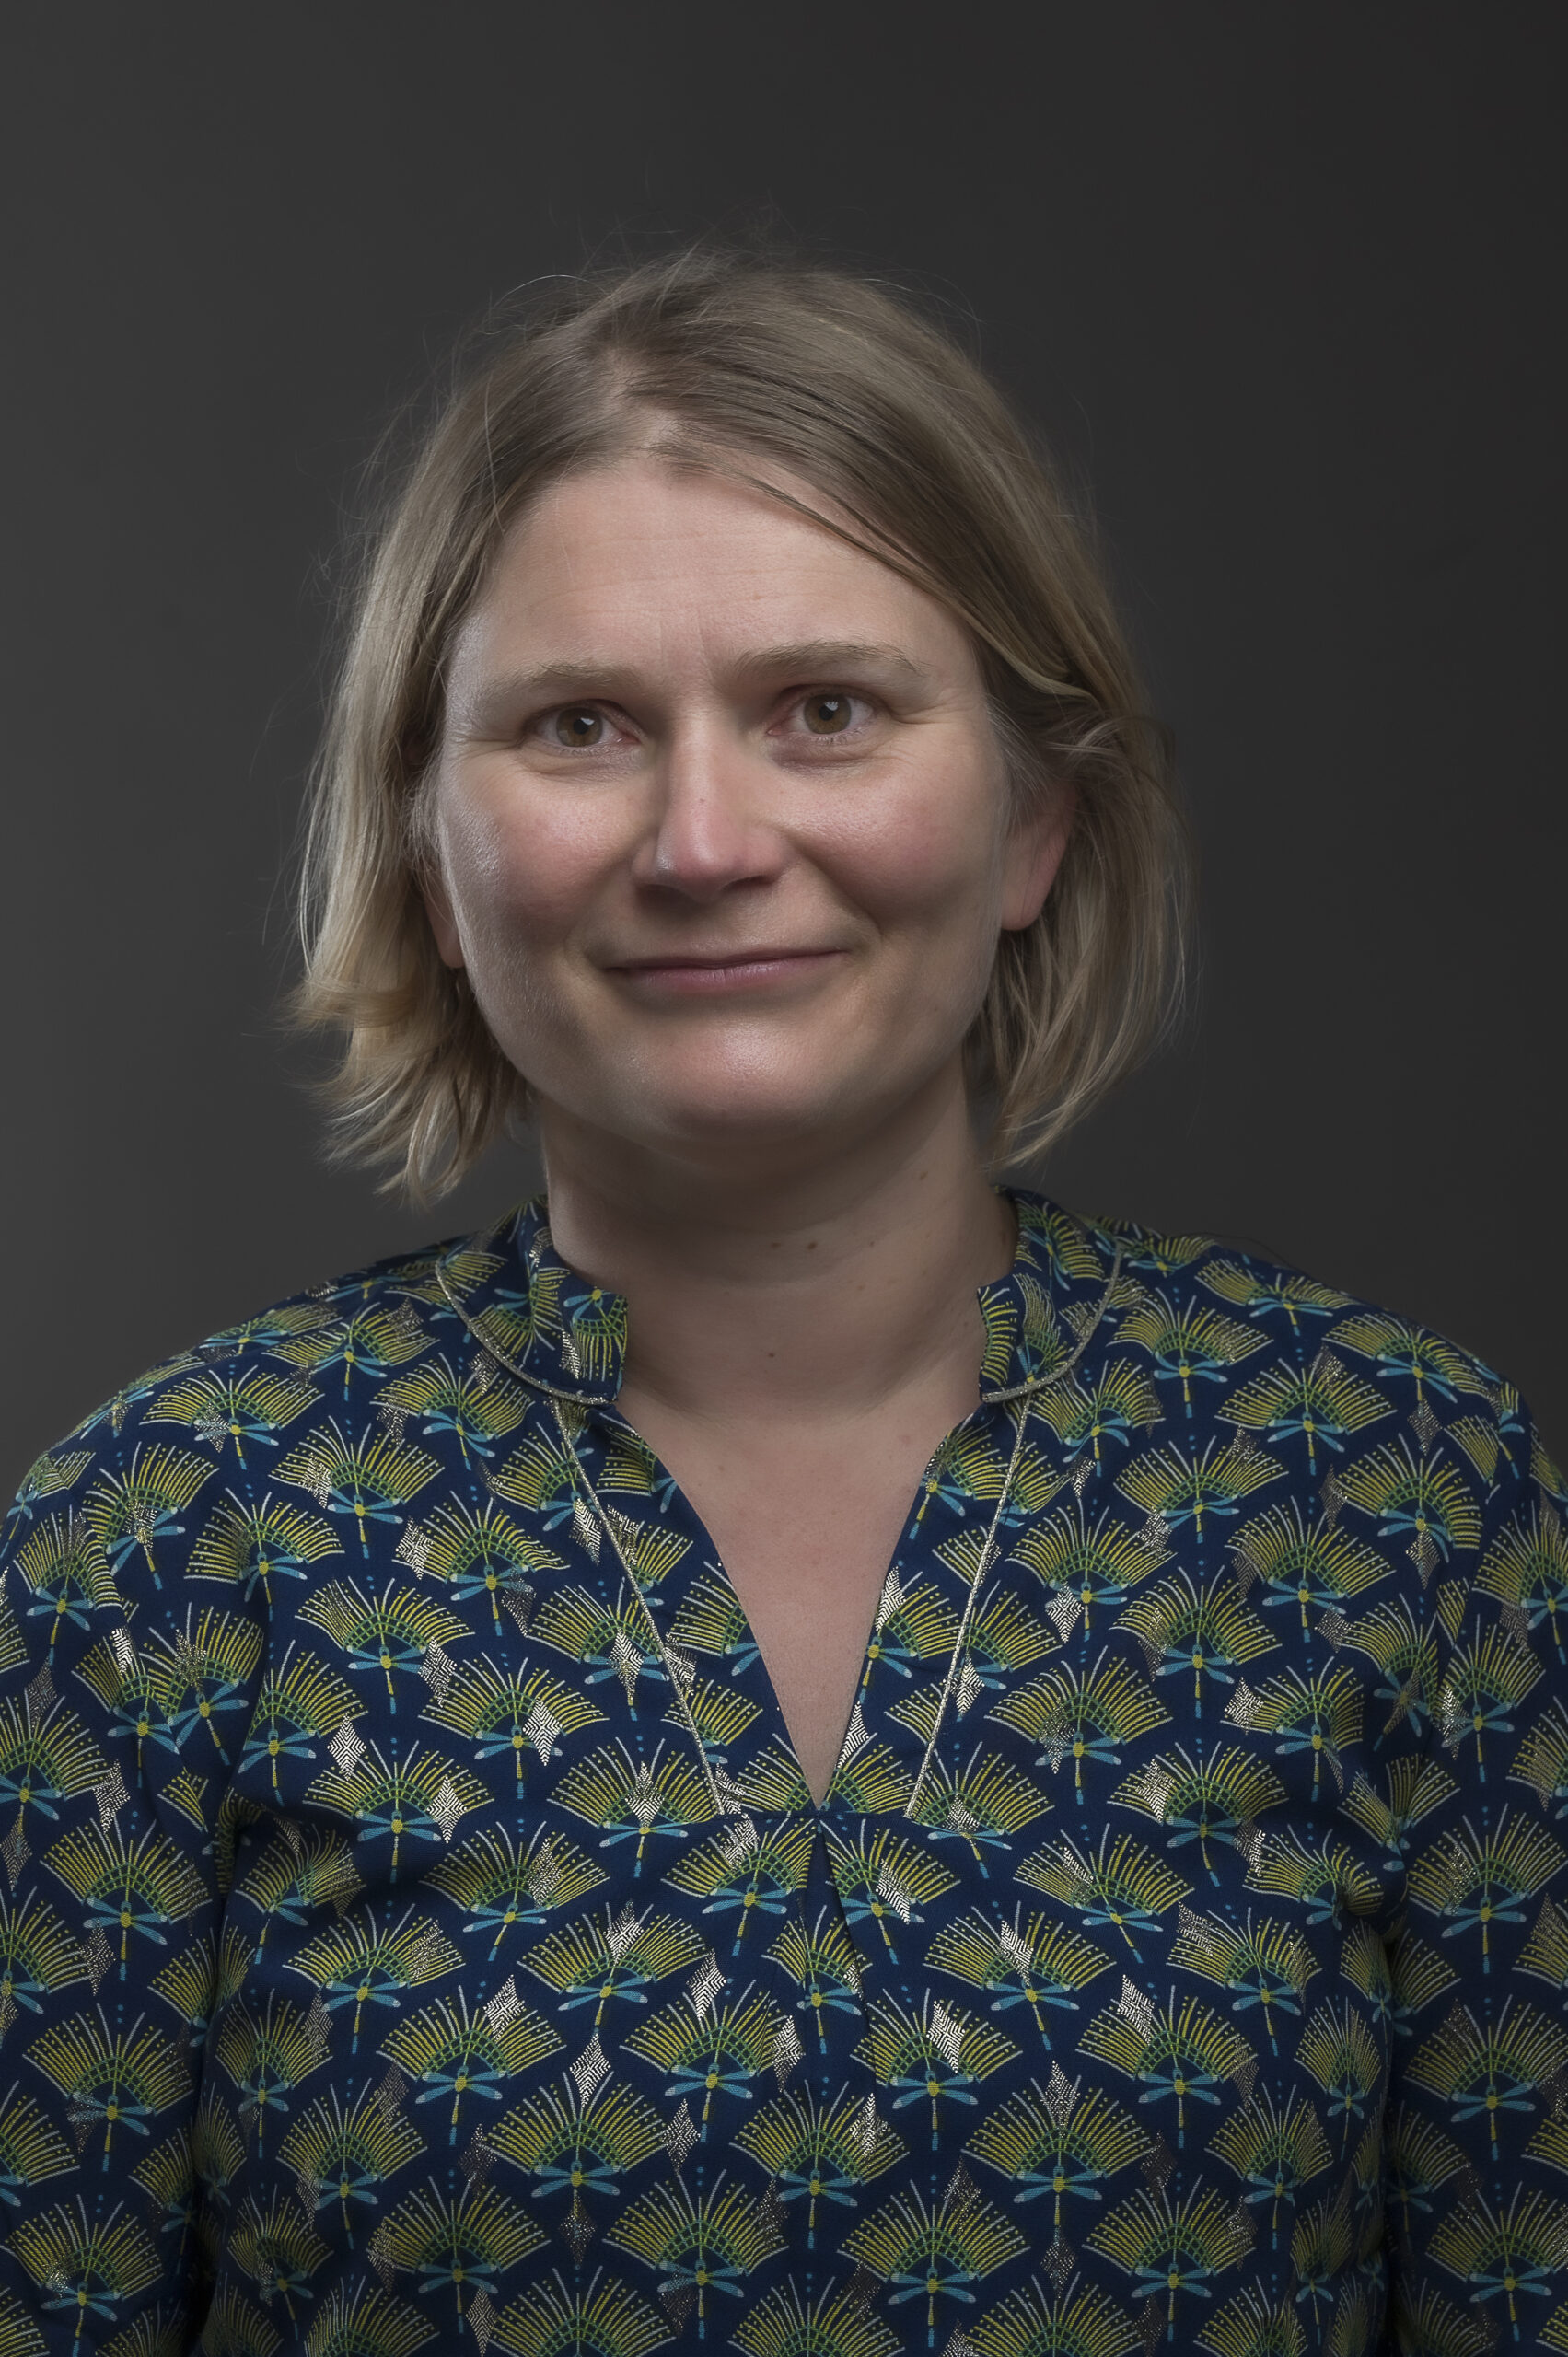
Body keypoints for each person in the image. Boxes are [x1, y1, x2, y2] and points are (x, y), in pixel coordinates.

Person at [1, 248, 1562, 2357]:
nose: (706, 837)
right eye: (580, 727)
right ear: (432, 860)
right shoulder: (166, 1546)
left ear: (1031, 821)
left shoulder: (1395, 1492)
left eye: (827, 708)